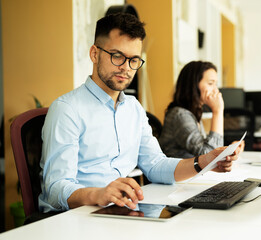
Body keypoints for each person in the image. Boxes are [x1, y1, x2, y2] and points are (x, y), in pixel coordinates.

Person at [39, 13, 243, 213]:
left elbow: (155, 165)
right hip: (77, 217)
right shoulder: (67, 109)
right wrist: (99, 194)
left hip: (120, 213)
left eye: (134, 60)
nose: (126, 68)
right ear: (94, 53)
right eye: (117, 56)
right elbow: (55, 188)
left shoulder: (133, 108)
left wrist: (204, 161)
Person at [159, 61, 230, 158]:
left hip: (193, 172)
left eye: (216, 84)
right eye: (210, 83)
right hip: (178, 173)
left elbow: (208, 150)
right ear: (194, 85)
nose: (216, 90)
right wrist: (218, 111)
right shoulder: (180, 115)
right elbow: (209, 156)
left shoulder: (194, 112)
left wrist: (229, 150)